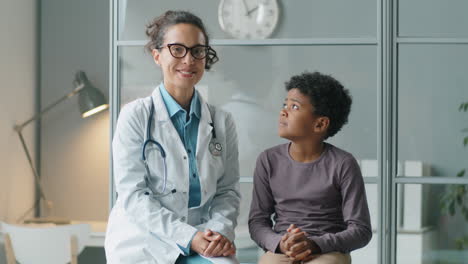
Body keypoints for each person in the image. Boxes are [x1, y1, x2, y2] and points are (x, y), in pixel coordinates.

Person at [105, 10, 241, 264]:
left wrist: (216, 233)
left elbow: (227, 191)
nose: (188, 59)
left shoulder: (222, 121)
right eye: (177, 49)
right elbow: (133, 195)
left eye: (197, 51)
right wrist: (190, 237)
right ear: (157, 55)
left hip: (203, 239)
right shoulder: (134, 116)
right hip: (144, 242)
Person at [248, 72, 372, 264]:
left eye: (295, 107)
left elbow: (360, 230)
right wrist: (280, 243)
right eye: (285, 105)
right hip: (282, 248)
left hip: (327, 251)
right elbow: (257, 222)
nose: (283, 112)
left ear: (320, 123)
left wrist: (314, 244)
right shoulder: (268, 160)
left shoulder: (343, 163)